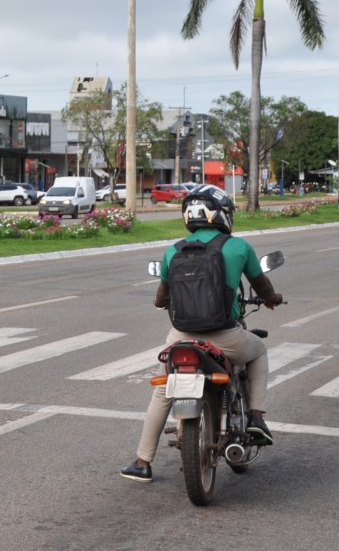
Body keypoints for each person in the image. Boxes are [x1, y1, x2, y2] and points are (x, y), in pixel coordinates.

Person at [121, 184, 284, 483]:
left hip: (181, 337)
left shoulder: (173, 250)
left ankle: (142, 461)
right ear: (222, 215)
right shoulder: (238, 247)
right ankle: (256, 417)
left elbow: (160, 298)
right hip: (226, 337)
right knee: (259, 350)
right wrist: (272, 299)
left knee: (162, 391)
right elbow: (263, 288)